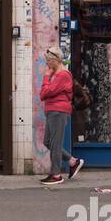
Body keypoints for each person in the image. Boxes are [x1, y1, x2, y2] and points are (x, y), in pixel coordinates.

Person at [40, 46, 84, 184]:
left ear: (56, 60)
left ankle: (56, 175)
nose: (47, 63)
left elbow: (44, 94)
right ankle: (72, 161)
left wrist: (46, 77)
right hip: (53, 111)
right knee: (48, 142)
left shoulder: (62, 75)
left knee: (55, 143)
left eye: (48, 60)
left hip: (58, 112)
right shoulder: (57, 74)